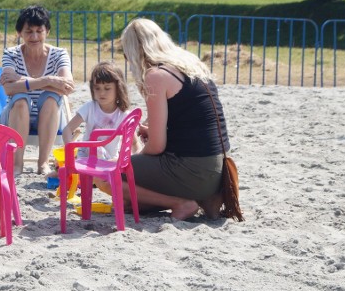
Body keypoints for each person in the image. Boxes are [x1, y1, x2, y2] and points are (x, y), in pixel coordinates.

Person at [120, 18, 230, 220]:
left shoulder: (156, 76)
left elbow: (157, 147)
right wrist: (151, 132)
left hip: (192, 170)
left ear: (135, 52)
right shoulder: (190, 64)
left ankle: (180, 203)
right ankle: (200, 198)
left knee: (113, 176)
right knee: (132, 200)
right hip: (219, 170)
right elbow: (191, 123)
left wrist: (138, 155)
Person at [0, 5, 75, 176]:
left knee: (50, 98)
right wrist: (48, 80)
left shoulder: (59, 54)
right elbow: (8, 89)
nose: (34, 36)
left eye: (39, 31)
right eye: (28, 31)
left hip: (50, 115)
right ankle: (17, 164)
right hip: (14, 115)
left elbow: (68, 86)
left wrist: (22, 81)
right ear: (19, 33)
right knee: (20, 99)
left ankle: (43, 163)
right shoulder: (11, 54)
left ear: (47, 31)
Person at [53, 61, 141, 192]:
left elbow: (134, 144)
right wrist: (70, 151)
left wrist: (129, 159)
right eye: (97, 88)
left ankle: (91, 179)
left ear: (118, 88)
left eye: (107, 88)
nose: (102, 93)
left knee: (102, 155)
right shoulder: (90, 107)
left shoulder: (123, 115)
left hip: (109, 161)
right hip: (86, 157)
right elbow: (67, 130)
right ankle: (80, 177)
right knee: (62, 162)